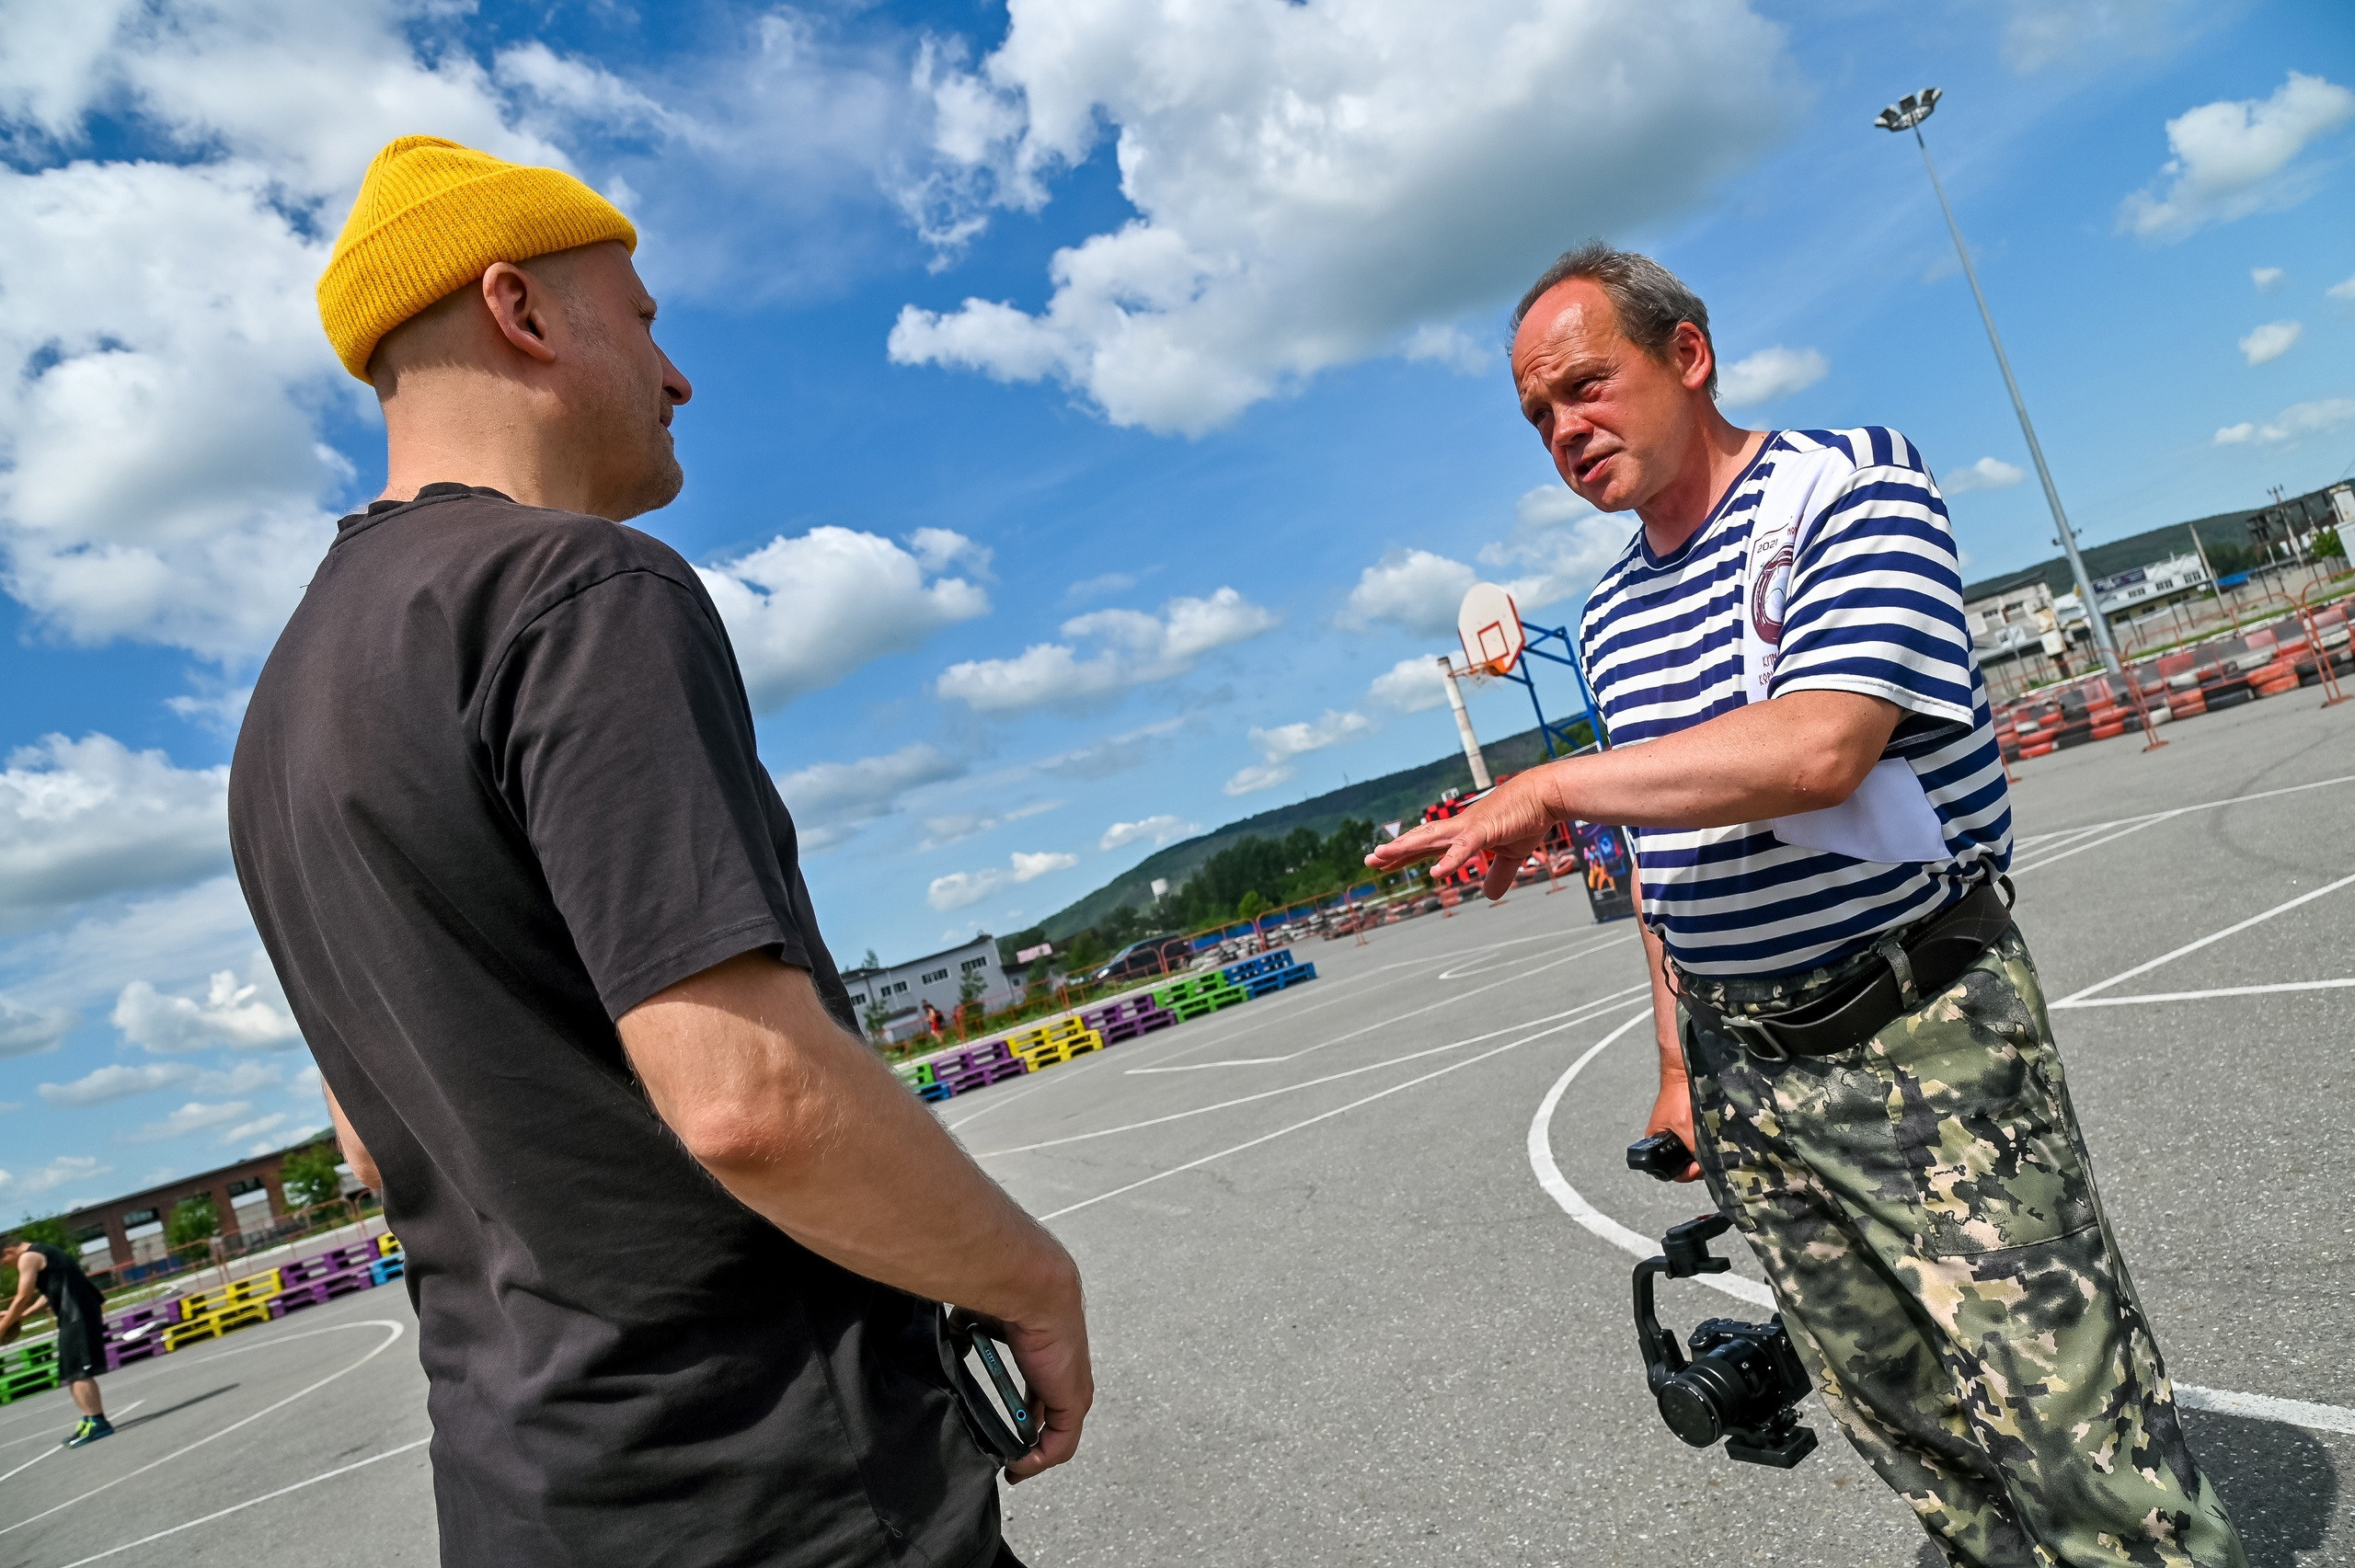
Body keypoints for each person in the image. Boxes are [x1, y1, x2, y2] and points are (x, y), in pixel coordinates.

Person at [229, 136, 1089, 1568]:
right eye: (643, 320)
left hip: (524, 1502)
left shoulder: (281, 715)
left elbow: (372, 1144)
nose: (678, 377)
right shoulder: (574, 588)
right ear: (519, 308)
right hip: (772, 1489)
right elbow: (750, 1097)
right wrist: (1033, 1277)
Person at [1368, 242, 2243, 1568]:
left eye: (1585, 385)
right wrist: (1679, 1068)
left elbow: (1820, 745)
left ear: (1688, 355)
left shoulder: (1848, 484)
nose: (1564, 429)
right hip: (1747, 1070)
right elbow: (1662, 859)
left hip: (1917, 1030)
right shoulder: (1608, 617)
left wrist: (1547, 787)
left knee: (2072, 1429)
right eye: (1539, 415)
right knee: (1907, 1423)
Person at [0, 1235, 113, 1448]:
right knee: (71, 1371)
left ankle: (98, 1421)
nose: (9, 1267)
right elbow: (49, 1293)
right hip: (75, 1313)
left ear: (8, 1252)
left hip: (78, 1313)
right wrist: (21, 1316)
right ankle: (89, 1418)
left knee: (79, 1370)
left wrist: (3, 1326)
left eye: (5, 1263)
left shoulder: (27, 1257)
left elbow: (22, 1296)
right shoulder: (45, 1251)